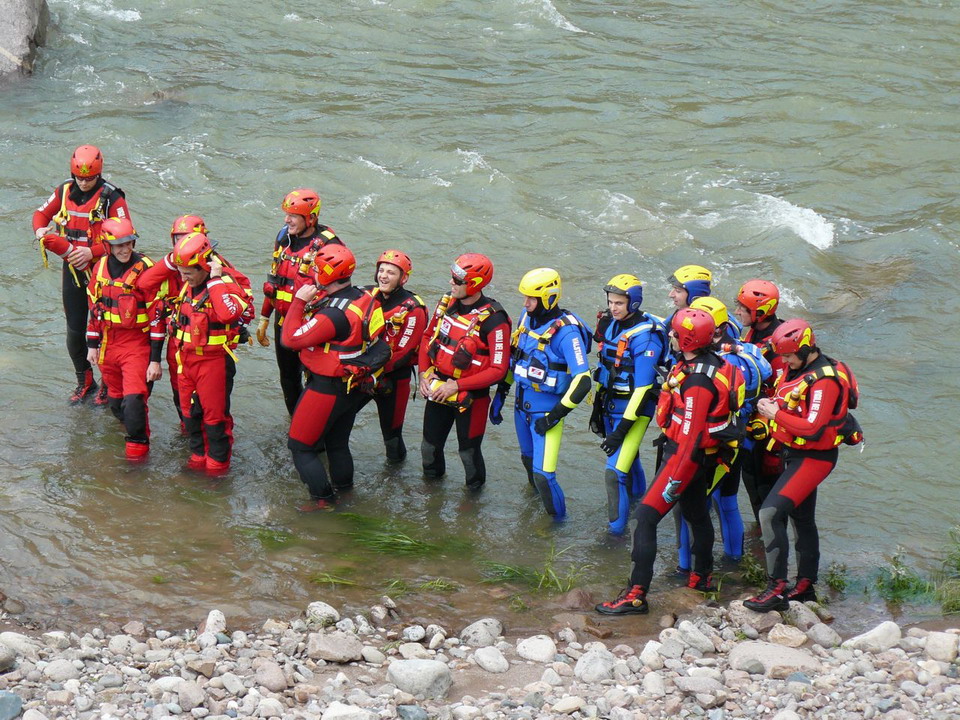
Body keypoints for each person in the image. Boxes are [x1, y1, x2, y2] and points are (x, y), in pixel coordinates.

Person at [595, 308, 744, 615]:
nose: (671, 336)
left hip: (685, 457)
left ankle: (636, 595)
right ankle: (701, 579)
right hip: (698, 457)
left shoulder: (697, 382)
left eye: (675, 332)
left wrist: (676, 477)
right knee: (696, 514)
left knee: (644, 519)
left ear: (687, 339)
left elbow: (690, 435)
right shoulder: (705, 362)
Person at [744, 319, 861, 611]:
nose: (783, 362)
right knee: (802, 518)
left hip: (814, 458)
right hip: (794, 453)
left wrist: (774, 415)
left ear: (806, 349)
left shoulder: (825, 380)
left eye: (788, 356)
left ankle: (776, 589)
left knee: (770, 514)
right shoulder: (796, 368)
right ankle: (806, 586)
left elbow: (813, 428)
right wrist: (769, 406)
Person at [281, 244, 389, 511]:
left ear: (327, 274)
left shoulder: (334, 314)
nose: (314, 273)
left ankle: (323, 500)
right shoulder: (363, 296)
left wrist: (298, 302)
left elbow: (290, 340)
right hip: (352, 384)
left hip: (327, 387)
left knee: (301, 447)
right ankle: (346, 493)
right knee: (337, 444)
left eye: (317, 269)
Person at [139, 232, 253, 474]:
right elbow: (147, 284)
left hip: (213, 362)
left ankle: (217, 468)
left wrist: (215, 280)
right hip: (186, 361)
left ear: (204, 266)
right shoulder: (187, 286)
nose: (183, 278)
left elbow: (228, 314)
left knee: (215, 419)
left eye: (188, 273)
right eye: (181, 272)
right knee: (190, 414)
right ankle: (198, 457)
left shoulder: (226, 283)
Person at [675, 297, 771, 569]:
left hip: (714, 444)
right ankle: (733, 561)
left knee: (692, 507)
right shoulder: (746, 351)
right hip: (738, 439)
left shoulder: (717, 362)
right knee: (727, 501)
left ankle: (687, 568)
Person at [33, 145, 132, 405]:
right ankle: (85, 381)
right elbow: (41, 214)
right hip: (73, 270)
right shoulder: (64, 191)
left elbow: (126, 238)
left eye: (90, 178)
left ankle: (109, 384)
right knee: (75, 332)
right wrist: (40, 231)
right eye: (80, 178)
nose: (84, 183)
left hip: (105, 272)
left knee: (106, 330)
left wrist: (92, 252)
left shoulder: (113, 198)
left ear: (99, 174)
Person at [491, 268, 591, 518]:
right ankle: (532, 516)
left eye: (531, 299)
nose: (525, 303)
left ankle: (556, 527)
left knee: (544, 476)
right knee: (528, 462)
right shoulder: (526, 317)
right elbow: (517, 358)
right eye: (525, 297)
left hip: (546, 413)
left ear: (548, 298)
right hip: (521, 407)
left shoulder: (567, 333)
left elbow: (583, 381)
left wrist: (554, 417)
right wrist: (501, 394)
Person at [419, 253, 511, 490]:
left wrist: (457, 385)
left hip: (471, 397)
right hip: (439, 387)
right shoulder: (446, 303)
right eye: (452, 277)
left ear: (475, 284)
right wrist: (424, 374)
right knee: (429, 449)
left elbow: (499, 370)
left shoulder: (495, 320)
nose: (451, 283)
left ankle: (472, 505)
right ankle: (431, 499)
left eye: (458, 280)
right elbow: (428, 337)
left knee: (468, 454)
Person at [588, 275, 667, 534]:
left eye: (619, 303)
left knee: (614, 473)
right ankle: (635, 505)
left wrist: (621, 430)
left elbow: (643, 389)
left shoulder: (646, 338)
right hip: (611, 404)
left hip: (635, 410)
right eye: (611, 302)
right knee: (630, 461)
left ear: (633, 303)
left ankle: (615, 536)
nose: (613, 308)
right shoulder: (611, 323)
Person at [256, 189, 344, 415]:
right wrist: (264, 317)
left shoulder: (328, 246)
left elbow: (338, 289)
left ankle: (314, 424)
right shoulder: (283, 238)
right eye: (286, 214)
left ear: (311, 218)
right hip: (283, 320)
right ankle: (295, 422)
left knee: (315, 378)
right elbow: (274, 281)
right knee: (287, 377)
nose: (287, 220)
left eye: (293, 216)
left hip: (312, 322)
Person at [84, 218, 165, 460]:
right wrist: (92, 345)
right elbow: (94, 308)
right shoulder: (99, 268)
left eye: (129, 243)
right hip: (108, 344)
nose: (125, 249)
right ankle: (127, 431)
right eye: (119, 245)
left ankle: (137, 458)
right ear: (107, 245)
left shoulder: (147, 269)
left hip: (137, 344)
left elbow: (157, 319)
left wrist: (155, 360)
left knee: (135, 402)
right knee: (116, 402)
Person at [356, 250, 427, 463]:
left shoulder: (414, 309)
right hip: (363, 373)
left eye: (391, 272)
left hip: (393, 379)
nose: (383, 276)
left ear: (403, 278)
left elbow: (403, 353)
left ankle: (395, 473)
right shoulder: (366, 295)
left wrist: (372, 373)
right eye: (381, 270)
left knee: (392, 436)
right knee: (339, 417)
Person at [732, 279, 787, 521]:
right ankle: (760, 529)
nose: (737, 312)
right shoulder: (755, 331)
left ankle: (771, 531)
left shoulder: (777, 344)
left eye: (742, 309)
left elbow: (782, 389)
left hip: (768, 425)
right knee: (750, 475)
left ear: (760, 313)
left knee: (765, 479)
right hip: (752, 418)